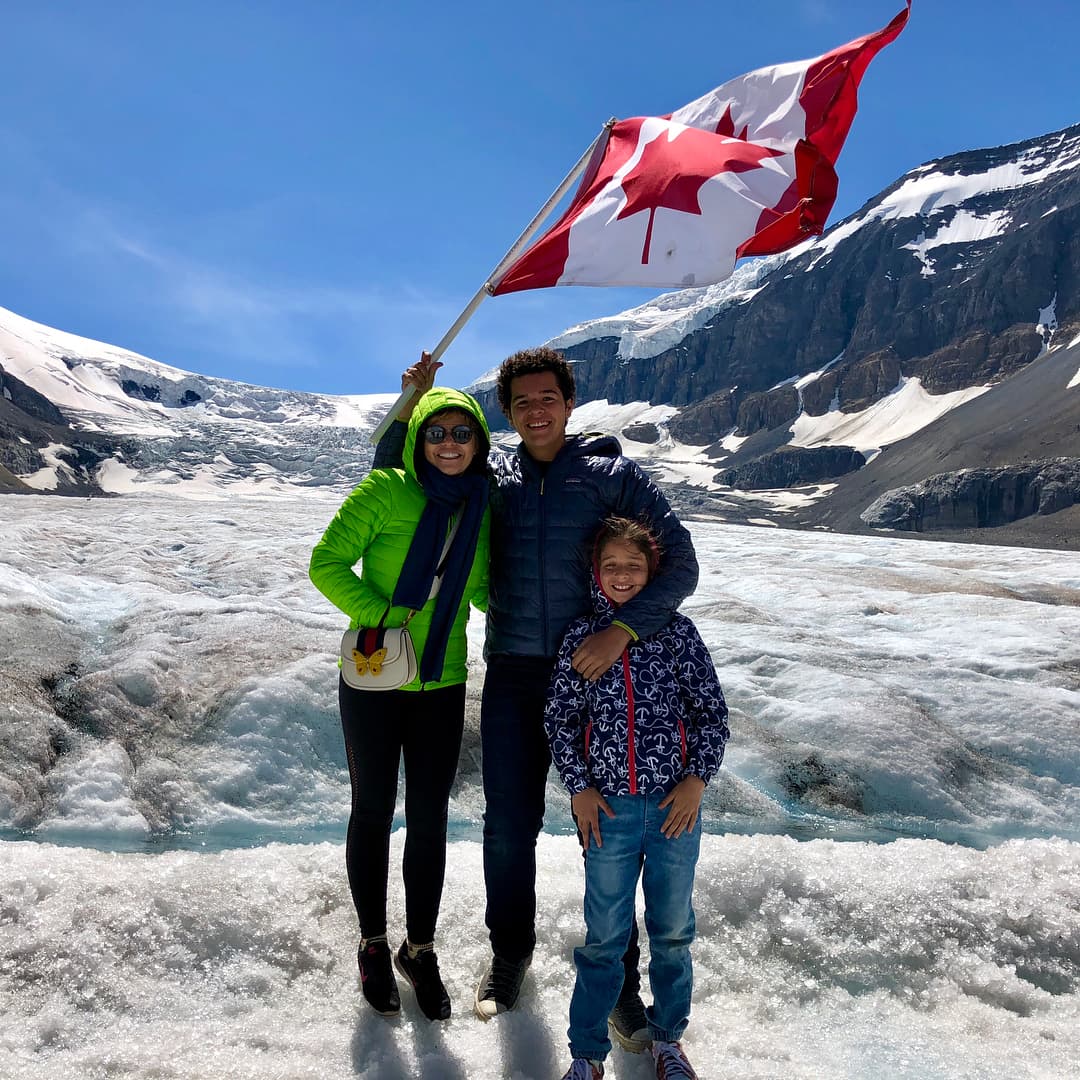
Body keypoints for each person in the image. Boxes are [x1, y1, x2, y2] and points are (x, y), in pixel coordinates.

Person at [376, 347, 699, 1044]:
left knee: (610, 828)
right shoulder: (497, 482)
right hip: (517, 671)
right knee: (507, 826)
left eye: (547, 397)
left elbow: (682, 564)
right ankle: (509, 953)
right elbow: (405, 472)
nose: (536, 410)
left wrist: (620, 633)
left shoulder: (612, 476)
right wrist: (414, 404)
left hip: (596, 674)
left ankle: (617, 981)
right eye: (522, 402)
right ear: (509, 411)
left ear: (570, 401)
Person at [309, 387, 491, 1022]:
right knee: (373, 810)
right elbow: (326, 563)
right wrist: (382, 615)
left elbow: (488, 589)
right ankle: (372, 943)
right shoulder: (384, 492)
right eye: (436, 433)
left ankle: (419, 948)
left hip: (441, 679)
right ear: (417, 440)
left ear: (479, 442)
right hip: (373, 674)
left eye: (461, 434)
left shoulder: (482, 507)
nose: (449, 444)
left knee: (430, 819)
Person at [546, 517, 729, 1080]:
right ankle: (587, 1055)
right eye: (611, 566)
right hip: (610, 814)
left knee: (673, 929)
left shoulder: (678, 634)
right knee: (604, 937)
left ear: (652, 571)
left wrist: (696, 781)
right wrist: (579, 788)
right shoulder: (581, 638)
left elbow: (711, 715)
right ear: (595, 573)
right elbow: (560, 718)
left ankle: (668, 1041)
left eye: (634, 565)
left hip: (675, 809)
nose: (622, 575)